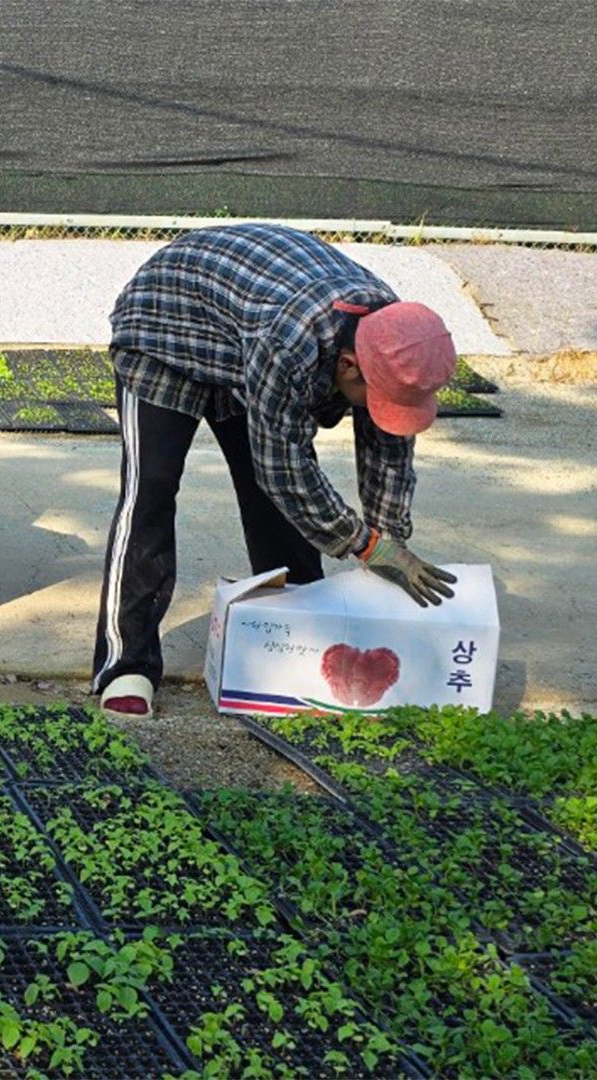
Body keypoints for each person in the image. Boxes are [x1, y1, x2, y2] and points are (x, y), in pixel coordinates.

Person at [92, 223, 458, 719]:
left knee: (277, 508)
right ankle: (125, 665)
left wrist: (390, 539)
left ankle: (305, 645)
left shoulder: (394, 339)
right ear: (349, 366)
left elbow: (388, 445)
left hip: (240, 332)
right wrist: (365, 543)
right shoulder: (288, 342)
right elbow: (282, 468)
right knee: (151, 491)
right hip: (165, 328)